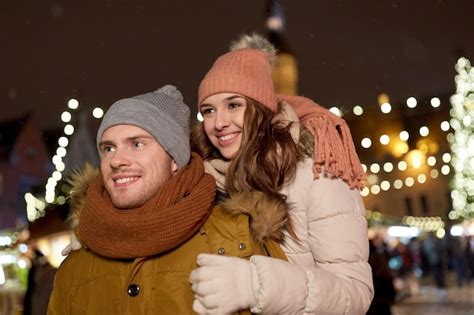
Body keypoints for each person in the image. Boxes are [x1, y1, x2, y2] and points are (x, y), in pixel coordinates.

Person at [47, 85, 287, 314]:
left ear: (174, 159)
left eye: (137, 144)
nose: (117, 160)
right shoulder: (76, 265)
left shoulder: (239, 237)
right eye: (108, 148)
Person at [189, 34, 374, 314]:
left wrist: (258, 285)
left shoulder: (317, 170)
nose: (219, 123)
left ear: (261, 107)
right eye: (208, 111)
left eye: (234, 105)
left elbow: (354, 295)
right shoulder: (205, 177)